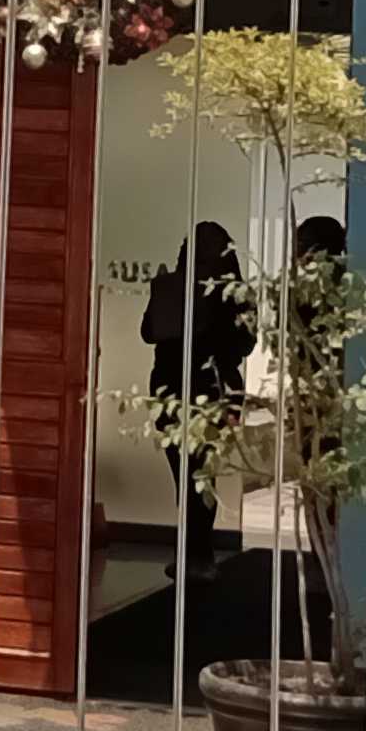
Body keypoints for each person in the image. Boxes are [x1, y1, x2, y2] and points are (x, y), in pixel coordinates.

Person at [141, 220, 256, 558]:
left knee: (184, 475)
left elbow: (148, 333)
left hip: (170, 388)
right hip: (215, 390)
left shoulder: (171, 286)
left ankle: (193, 553)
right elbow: (246, 344)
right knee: (204, 473)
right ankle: (199, 554)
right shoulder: (236, 293)